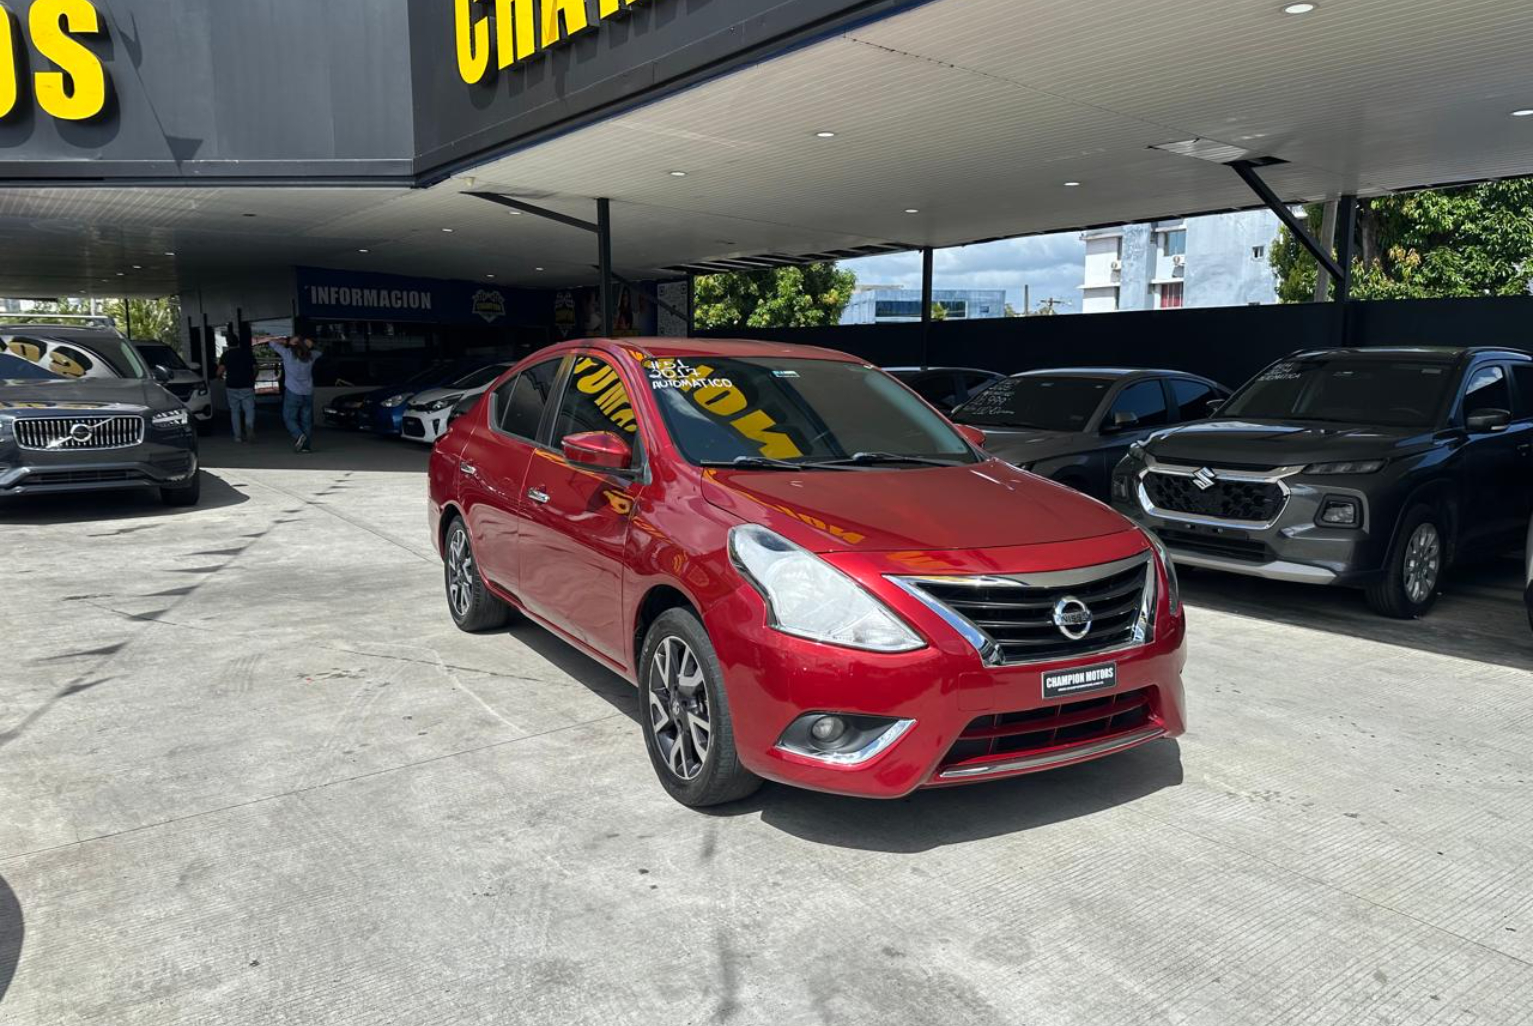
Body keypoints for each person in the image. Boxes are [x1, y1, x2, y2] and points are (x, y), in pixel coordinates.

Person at [266, 335, 320, 453]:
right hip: (308, 392)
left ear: (293, 344)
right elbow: (321, 350)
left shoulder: (287, 353)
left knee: (289, 418)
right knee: (306, 420)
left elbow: (271, 342)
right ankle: (305, 446)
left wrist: (285, 341)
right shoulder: (311, 355)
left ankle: (299, 435)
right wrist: (309, 343)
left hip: (293, 392)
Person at [218, 334, 258, 442]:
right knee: (249, 408)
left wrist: (220, 377)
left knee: (235, 411)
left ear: (227, 343)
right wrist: (252, 378)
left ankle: (238, 436)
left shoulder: (226, 355)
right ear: (238, 342)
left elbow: (219, 371)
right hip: (247, 384)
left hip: (232, 385)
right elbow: (255, 368)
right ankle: (249, 425)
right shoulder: (247, 353)